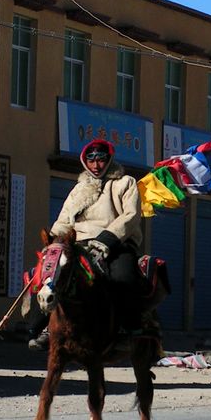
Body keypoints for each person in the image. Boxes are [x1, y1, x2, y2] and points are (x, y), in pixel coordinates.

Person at [41, 138, 144, 339]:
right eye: (91, 160)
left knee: (124, 277)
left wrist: (107, 239)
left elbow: (130, 216)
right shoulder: (79, 189)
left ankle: (127, 326)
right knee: (50, 274)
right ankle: (45, 327)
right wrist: (54, 243)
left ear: (109, 159)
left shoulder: (125, 182)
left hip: (116, 242)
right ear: (84, 161)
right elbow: (64, 219)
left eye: (101, 160)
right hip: (78, 243)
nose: (96, 165)